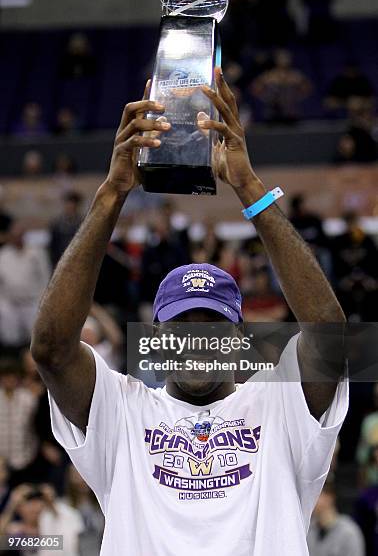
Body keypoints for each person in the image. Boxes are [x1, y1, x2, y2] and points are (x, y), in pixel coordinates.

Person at [31, 68, 348, 555]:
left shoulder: (278, 406)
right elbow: (51, 348)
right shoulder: (123, 412)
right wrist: (113, 191)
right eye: (181, 327)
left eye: (212, 327)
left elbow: (329, 335)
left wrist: (247, 186)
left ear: (240, 338)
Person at [0, 222, 51, 346]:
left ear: (24, 236)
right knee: (9, 332)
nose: (17, 238)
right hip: (9, 302)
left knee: (35, 335)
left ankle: (31, 358)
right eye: (14, 235)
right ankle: (12, 357)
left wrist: (42, 299)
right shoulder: (3, 255)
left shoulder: (36, 253)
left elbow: (46, 277)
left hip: (31, 301)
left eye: (19, 235)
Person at [252, 49, 312, 123]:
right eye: (282, 58)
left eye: (286, 58)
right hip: (273, 113)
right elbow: (255, 87)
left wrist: (297, 97)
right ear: (277, 60)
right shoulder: (270, 75)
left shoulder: (295, 75)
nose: (285, 60)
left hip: (291, 113)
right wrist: (266, 97)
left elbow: (307, 87)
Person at [307, 483, 365, 556]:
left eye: (315, 495)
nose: (310, 499)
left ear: (329, 497)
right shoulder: (308, 530)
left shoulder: (348, 531)